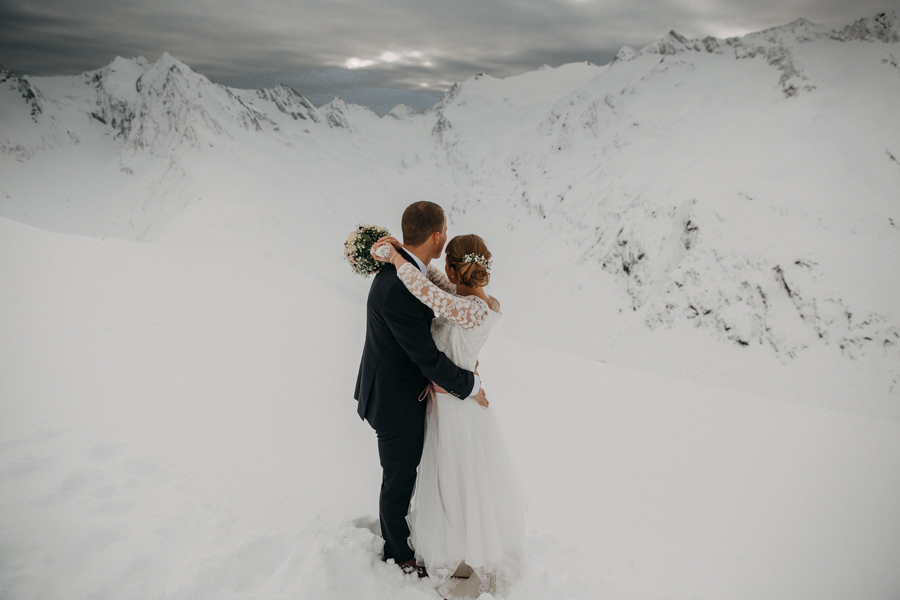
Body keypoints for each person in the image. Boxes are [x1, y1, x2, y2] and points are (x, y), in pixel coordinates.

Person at [371, 232, 524, 597]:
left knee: (458, 487)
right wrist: (404, 253)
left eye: (448, 267)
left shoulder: (468, 307)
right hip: (448, 403)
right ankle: (460, 556)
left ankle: (470, 567)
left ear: (456, 269)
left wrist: (396, 260)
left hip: (458, 410)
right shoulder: (470, 299)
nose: (443, 272)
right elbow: (433, 280)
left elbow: (427, 291)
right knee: (445, 485)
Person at [354, 201, 488, 574]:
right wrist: (471, 384)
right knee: (399, 479)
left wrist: (396, 254)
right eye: (445, 229)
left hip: (400, 392)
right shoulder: (401, 284)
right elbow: (426, 358)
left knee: (406, 475)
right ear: (437, 235)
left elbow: (431, 291)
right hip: (395, 401)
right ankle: (399, 556)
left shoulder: (411, 272)